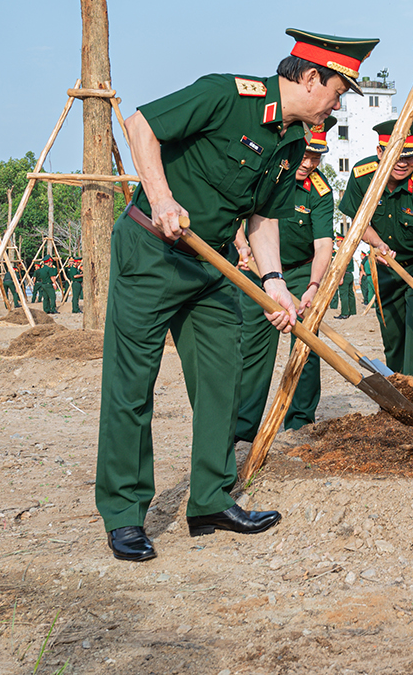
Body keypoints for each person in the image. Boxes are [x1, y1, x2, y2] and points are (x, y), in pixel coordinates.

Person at [96, 29, 377, 563]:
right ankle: (125, 514)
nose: (339, 102)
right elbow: (140, 124)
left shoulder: (294, 141)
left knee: (223, 379)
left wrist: (275, 286)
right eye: (340, 90)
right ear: (312, 77)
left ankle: (209, 499)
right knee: (132, 384)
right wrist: (161, 197)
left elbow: (264, 218)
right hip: (152, 252)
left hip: (214, 264)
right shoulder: (228, 95)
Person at [232, 117, 334, 441]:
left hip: (302, 271)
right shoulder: (272, 173)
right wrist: (243, 246)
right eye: (306, 154)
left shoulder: (320, 191)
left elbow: (323, 246)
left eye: (316, 156)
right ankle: (243, 428)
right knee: (253, 344)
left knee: (306, 341)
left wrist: (314, 287)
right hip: (261, 268)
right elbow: (241, 211)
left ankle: (300, 421)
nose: (308, 163)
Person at [339, 118, 413, 386]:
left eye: (409, 157)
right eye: (395, 156)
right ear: (380, 152)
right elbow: (359, 222)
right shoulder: (363, 176)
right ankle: (397, 392)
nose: (402, 163)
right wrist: (377, 244)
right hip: (385, 268)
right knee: (393, 336)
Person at [333, 235, 357, 319]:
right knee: (351, 294)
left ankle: (344, 313)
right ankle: (353, 311)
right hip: (350, 274)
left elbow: (343, 266)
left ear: (341, 241)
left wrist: (341, 277)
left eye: (337, 241)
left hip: (344, 275)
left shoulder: (342, 251)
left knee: (344, 295)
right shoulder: (348, 250)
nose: (336, 243)